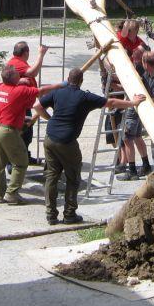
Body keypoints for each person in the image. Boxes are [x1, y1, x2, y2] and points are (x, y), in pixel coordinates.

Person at [33, 68, 144, 224]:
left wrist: (49, 118)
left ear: (67, 79)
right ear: (81, 81)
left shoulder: (58, 93)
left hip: (50, 138)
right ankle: (69, 214)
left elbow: (37, 106)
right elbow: (110, 102)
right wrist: (133, 102)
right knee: (73, 178)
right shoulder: (84, 97)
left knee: (52, 176)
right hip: (67, 142)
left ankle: (51, 215)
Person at [0, 66, 63, 205]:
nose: (20, 76)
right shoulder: (19, 90)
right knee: (21, 162)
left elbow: (10, 108)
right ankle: (12, 194)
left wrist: (22, 119)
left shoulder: (0, 88)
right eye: (18, 75)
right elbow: (41, 91)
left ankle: (0, 194)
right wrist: (61, 85)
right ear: (13, 79)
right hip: (8, 131)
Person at [7, 41, 49, 163]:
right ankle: (13, 162)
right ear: (26, 52)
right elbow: (33, 72)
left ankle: (25, 157)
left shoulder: (17, 61)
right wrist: (41, 55)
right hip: (20, 107)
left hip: (24, 105)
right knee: (20, 134)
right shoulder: (16, 62)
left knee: (26, 134)